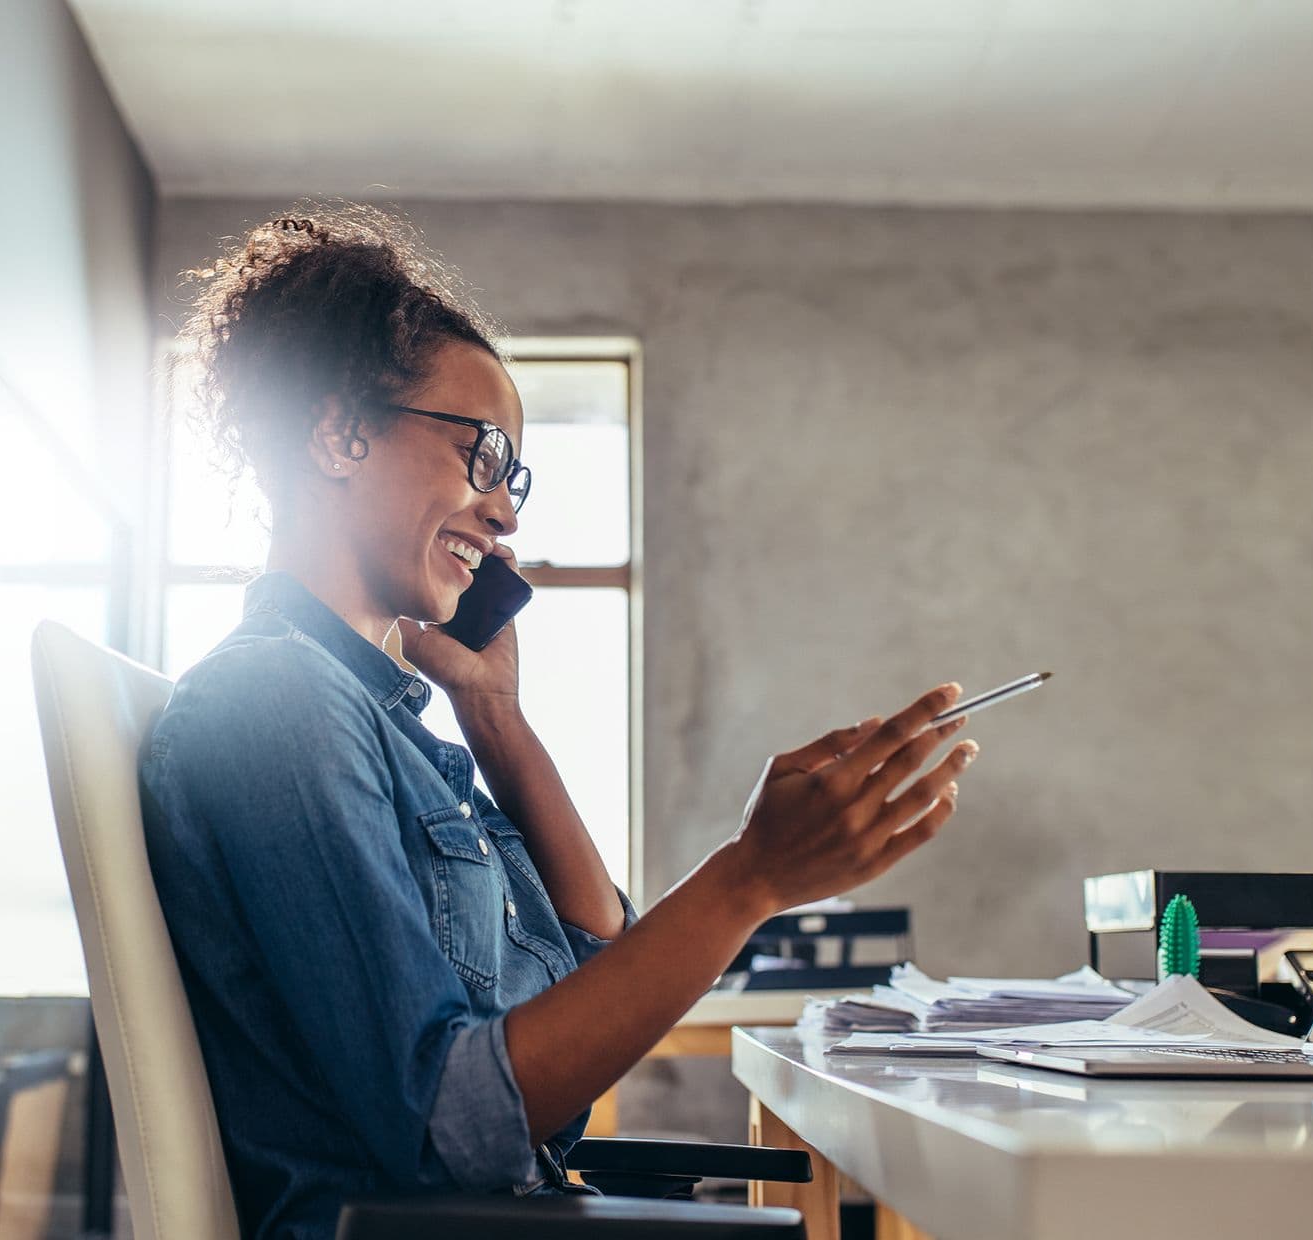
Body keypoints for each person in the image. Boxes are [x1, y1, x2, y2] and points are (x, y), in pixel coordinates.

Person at [139, 204, 978, 1240]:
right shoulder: (274, 704)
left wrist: (498, 720)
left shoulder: (384, 722)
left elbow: (591, 980)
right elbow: (451, 1124)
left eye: (512, 479)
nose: (505, 514)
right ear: (338, 432)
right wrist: (746, 878)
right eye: (480, 457)